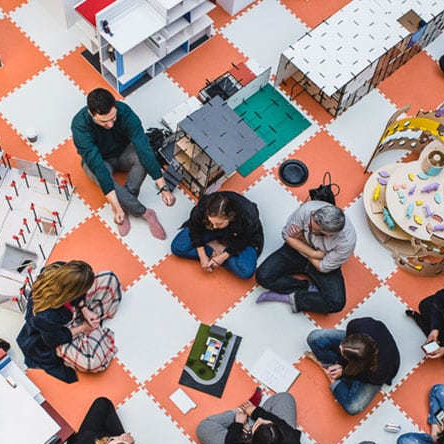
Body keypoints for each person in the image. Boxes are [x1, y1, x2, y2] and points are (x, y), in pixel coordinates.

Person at [71, 88, 175, 240]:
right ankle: (145, 213)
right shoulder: (79, 126)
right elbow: (99, 168)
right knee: (99, 175)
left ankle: (127, 202)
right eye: (104, 121)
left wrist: (164, 188)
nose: (110, 125)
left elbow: (144, 149)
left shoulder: (124, 112)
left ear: (115, 107)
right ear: (91, 114)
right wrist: (117, 208)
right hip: (101, 160)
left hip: (124, 152)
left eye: (113, 118)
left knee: (146, 156)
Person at [16, 261, 121, 383]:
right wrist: (83, 327)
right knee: (91, 361)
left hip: (69, 311)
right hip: (56, 334)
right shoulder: (44, 317)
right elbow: (55, 339)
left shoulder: (58, 268)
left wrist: (84, 309)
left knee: (110, 278)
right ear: (73, 292)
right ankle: (90, 330)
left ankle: (91, 329)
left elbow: (78, 294)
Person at [255, 201, 356, 314]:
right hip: (297, 252)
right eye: (310, 221)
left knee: (336, 303)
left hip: (319, 262)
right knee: (262, 276)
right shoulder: (308, 210)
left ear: (328, 234)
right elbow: (286, 235)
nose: (307, 224)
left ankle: (292, 298)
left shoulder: (347, 242)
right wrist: (313, 253)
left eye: (313, 229)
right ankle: (306, 288)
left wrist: (299, 239)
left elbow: (322, 267)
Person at [305, 317, 401, 415]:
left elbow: (363, 376)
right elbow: (345, 344)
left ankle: (330, 374)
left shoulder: (379, 372)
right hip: (358, 344)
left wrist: (344, 372)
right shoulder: (357, 325)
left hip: (373, 373)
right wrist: (342, 364)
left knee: (353, 407)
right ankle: (331, 368)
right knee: (314, 337)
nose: (339, 347)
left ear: (356, 363)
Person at [170, 191, 264, 279]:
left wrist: (224, 255)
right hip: (208, 229)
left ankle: (219, 249)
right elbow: (195, 226)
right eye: (211, 222)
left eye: (218, 224)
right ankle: (215, 250)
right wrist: (202, 255)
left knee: (246, 272)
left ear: (230, 217)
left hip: (239, 236)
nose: (214, 226)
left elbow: (245, 239)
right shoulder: (204, 206)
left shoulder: (249, 218)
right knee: (177, 248)